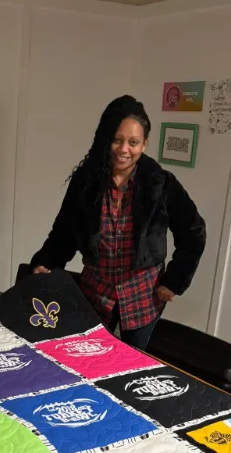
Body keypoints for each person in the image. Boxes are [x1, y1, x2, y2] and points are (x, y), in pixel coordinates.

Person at [30, 95, 206, 350]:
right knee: (87, 357)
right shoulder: (86, 181)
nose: (124, 149)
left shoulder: (161, 183)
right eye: (117, 140)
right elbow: (64, 232)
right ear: (106, 139)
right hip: (95, 292)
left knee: (133, 364)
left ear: (144, 144)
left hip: (143, 295)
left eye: (133, 142)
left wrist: (174, 280)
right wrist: (46, 261)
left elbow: (194, 231)